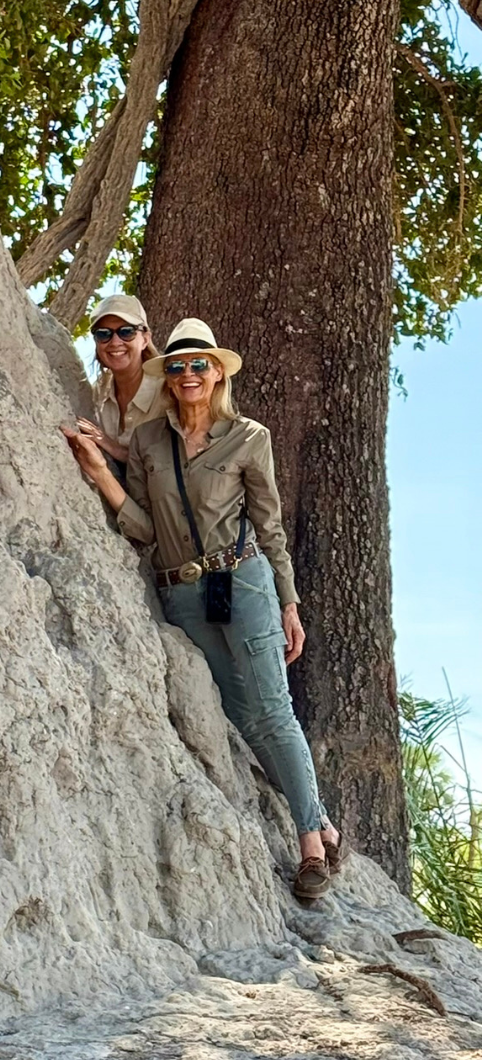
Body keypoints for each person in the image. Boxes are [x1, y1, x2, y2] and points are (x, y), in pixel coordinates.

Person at [62, 317, 341, 902]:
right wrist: (96, 472)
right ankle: (323, 820)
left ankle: (311, 844)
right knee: (239, 714)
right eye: (180, 367)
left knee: (272, 708)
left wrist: (289, 602)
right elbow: (143, 526)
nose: (189, 375)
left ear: (217, 374)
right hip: (182, 593)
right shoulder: (146, 443)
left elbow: (270, 527)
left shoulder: (248, 437)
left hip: (244, 582)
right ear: (168, 378)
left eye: (201, 365)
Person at [74, 293, 162, 471]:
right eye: (103, 334)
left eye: (126, 332)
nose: (115, 342)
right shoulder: (98, 391)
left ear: (145, 339)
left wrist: (112, 447)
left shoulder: (168, 390)